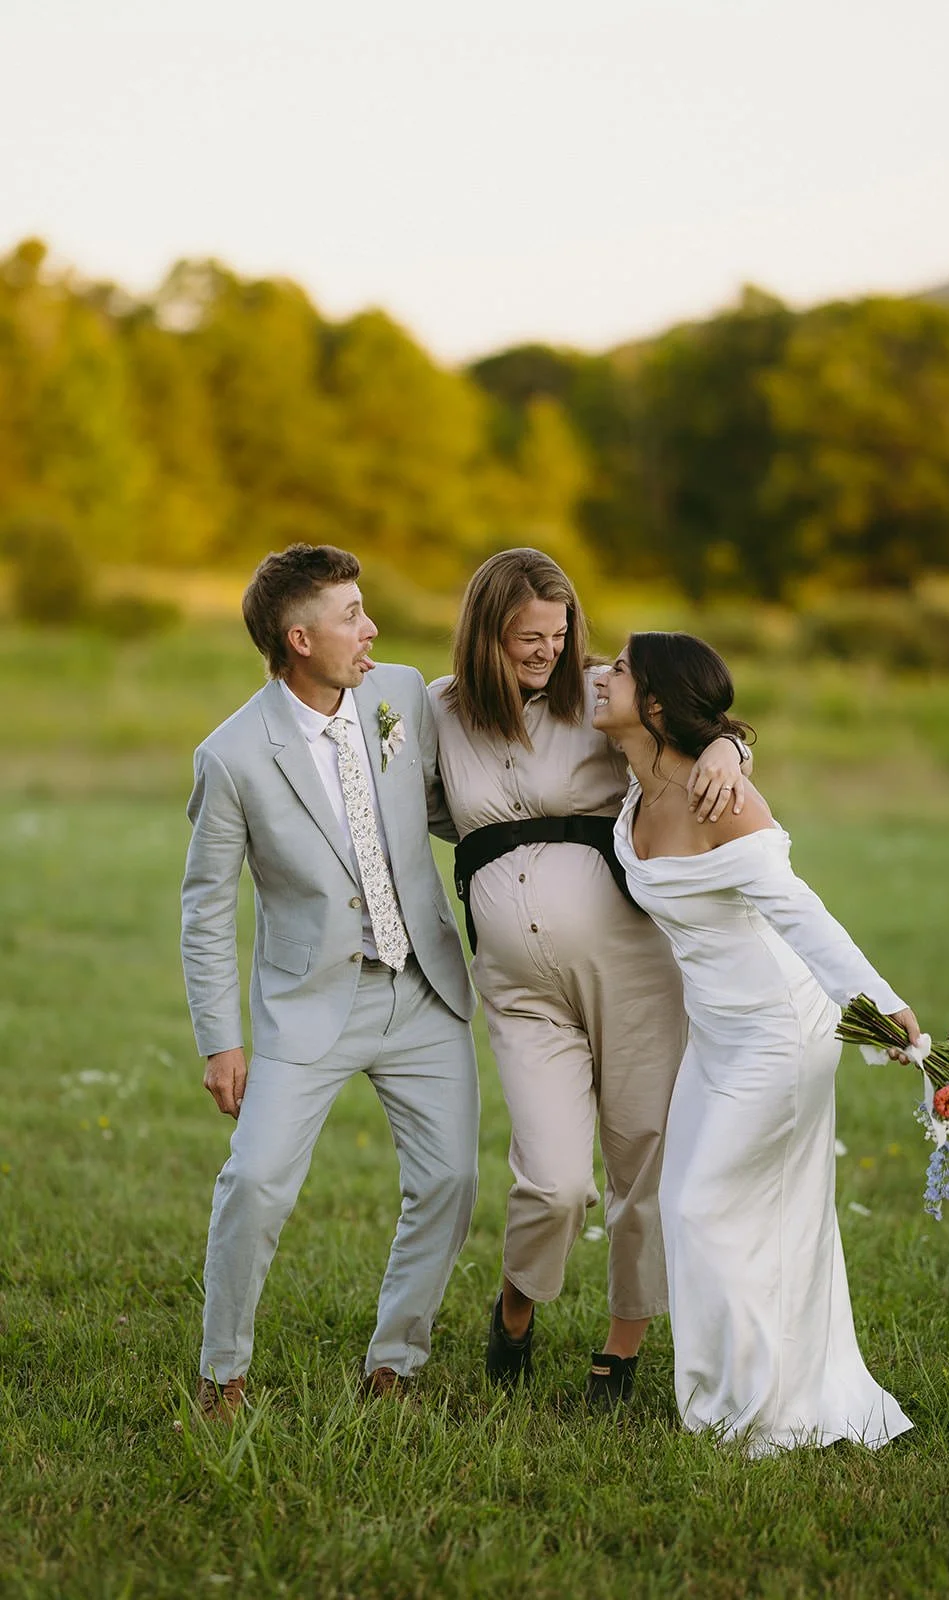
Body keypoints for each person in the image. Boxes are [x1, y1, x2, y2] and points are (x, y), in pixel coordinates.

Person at [427, 549, 749, 1409]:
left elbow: (693, 716)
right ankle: (515, 1308)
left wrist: (726, 748)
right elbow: (401, 808)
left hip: (634, 969)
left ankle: (623, 1341)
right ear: (483, 634)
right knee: (553, 1178)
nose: (547, 651)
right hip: (515, 983)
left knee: (642, 1153)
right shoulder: (438, 713)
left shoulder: (603, 692)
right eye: (526, 636)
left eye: (559, 633)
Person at [594, 631, 917, 1453]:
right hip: (717, 1033)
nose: (600, 676)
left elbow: (798, 910)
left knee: (704, 1207)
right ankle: (730, 1395)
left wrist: (879, 1003)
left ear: (658, 702)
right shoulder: (636, 789)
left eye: (620, 670)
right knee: (691, 1206)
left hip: (777, 1027)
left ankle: (753, 1413)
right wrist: (732, 744)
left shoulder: (721, 800)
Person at [180, 543, 478, 1421]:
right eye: (352, 615)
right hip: (308, 1007)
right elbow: (204, 906)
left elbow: (448, 800)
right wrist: (219, 1038)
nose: (371, 628)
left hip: (424, 990)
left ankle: (395, 1360)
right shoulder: (232, 756)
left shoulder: (398, 696)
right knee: (257, 1182)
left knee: (451, 1183)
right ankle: (221, 1370)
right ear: (299, 638)